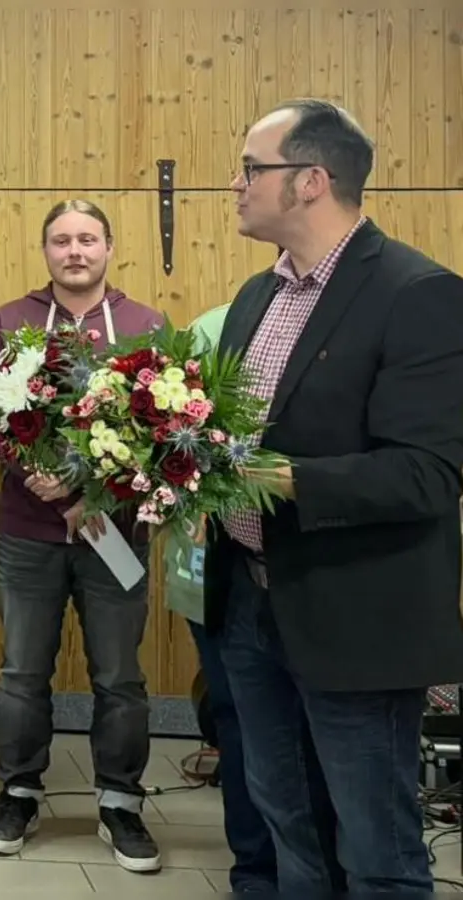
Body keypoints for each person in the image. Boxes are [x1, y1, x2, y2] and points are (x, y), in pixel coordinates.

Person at [206, 98, 463, 892]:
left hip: (354, 613)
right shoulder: (258, 295)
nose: (237, 185)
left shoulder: (418, 292)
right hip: (250, 605)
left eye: (253, 168)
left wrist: (273, 477)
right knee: (288, 823)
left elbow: (428, 471)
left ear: (311, 180)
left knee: (375, 847)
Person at [0, 199, 166, 871]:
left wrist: (94, 495)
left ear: (109, 248)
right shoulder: (12, 322)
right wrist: (48, 484)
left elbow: (161, 429)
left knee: (120, 675)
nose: (74, 251)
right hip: (28, 530)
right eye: (62, 240)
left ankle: (120, 802)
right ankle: (19, 790)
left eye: (87, 239)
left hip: (117, 535)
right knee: (23, 671)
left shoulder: (145, 324)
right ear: (46, 250)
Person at [178, 301, 346, 892]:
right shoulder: (219, 324)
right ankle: (254, 869)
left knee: (323, 737)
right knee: (241, 724)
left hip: (321, 573)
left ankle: (331, 870)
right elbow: (174, 442)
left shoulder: (360, 322)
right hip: (228, 569)